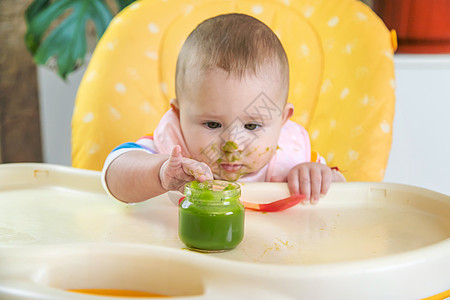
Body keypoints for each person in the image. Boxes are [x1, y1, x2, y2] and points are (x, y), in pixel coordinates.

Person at [102, 13, 345, 205]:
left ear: (283, 119)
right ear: (178, 114)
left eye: (252, 125)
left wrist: (321, 178)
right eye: (213, 124)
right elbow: (114, 173)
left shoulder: (291, 158)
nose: (233, 144)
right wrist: (158, 173)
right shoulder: (175, 154)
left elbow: (348, 196)